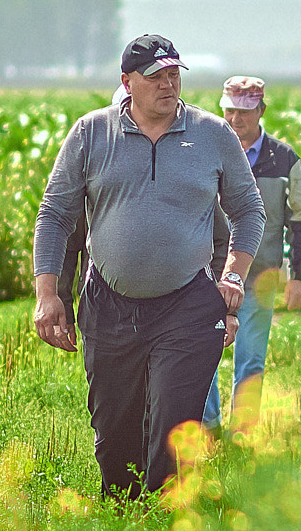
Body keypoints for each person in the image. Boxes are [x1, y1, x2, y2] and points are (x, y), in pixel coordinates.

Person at [31, 33, 263, 500]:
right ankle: (121, 523)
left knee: (176, 425)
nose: (168, 84)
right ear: (127, 82)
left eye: (174, 74)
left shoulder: (212, 135)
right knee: (115, 432)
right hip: (109, 306)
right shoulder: (91, 133)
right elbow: (55, 215)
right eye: (155, 76)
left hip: (188, 306)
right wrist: (47, 294)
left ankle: (167, 526)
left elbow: (248, 210)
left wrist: (233, 274)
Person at [201, 76, 301, 432]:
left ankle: (243, 434)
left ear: (262, 111)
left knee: (250, 361)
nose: (236, 119)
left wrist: (300, 276)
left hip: (260, 277)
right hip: (208, 276)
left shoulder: (284, 161)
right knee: (203, 357)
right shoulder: (205, 153)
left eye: (244, 112)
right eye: (230, 111)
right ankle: (210, 429)